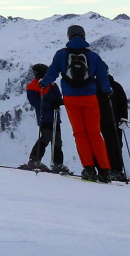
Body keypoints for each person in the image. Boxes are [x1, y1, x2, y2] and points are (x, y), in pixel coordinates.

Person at [46, 24, 114, 182]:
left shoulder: (61, 54)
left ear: (68, 36)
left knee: (80, 134)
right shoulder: (93, 56)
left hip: (70, 98)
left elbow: (52, 73)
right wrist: (107, 90)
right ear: (84, 36)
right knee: (95, 133)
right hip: (90, 97)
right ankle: (105, 170)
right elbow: (103, 77)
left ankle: (88, 169)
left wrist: (43, 83)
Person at [20, 64, 67, 173]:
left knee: (57, 141)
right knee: (46, 137)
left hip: (55, 116)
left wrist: (54, 87)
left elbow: (58, 97)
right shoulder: (33, 86)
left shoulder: (50, 85)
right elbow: (36, 103)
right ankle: (34, 160)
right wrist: (51, 104)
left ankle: (58, 164)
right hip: (44, 117)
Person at [99, 76, 130, 183]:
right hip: (112, 121)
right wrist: (123, 118)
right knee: (113, 144)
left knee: (115, 145)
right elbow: (123, 103)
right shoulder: (115, 86)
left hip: (110, 121)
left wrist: (123, 118)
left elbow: (122, 103)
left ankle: (115, 169)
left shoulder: (100, 86)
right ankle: (114, 169)